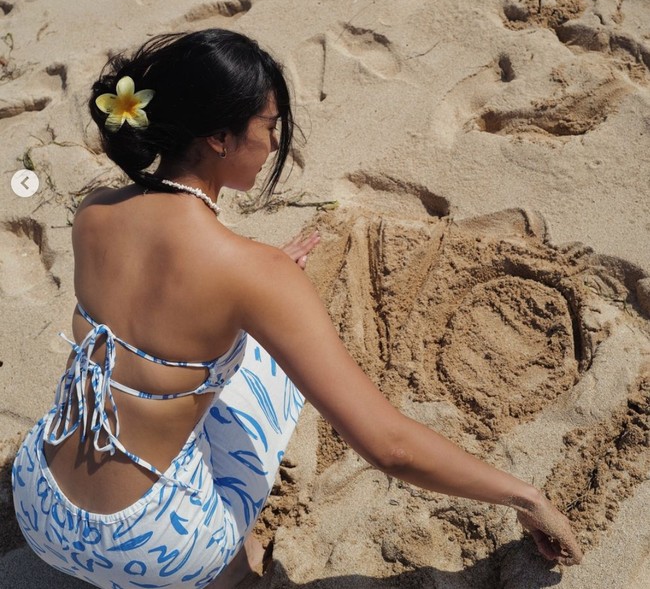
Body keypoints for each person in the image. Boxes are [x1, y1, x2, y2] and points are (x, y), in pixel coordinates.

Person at [12, 29, 583, 589]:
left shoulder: (96, 210)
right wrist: (525, 497)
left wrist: (248, 287)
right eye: (268, 125)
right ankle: (231, 570)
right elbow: (391, 447)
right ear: (219, 138)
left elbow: (151, 306)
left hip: (39, 507)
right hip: (150, 551)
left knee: (151, 365)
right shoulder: (252, 272)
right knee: (273, 371)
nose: (275, 142)